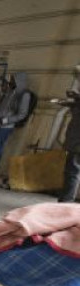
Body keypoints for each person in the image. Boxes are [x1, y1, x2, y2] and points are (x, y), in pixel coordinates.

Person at [0, 73, 34, 178]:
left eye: (13, 80)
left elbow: (22, 114)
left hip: (5, 127)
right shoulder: (9, 92)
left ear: (19, 81)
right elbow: (0, 107)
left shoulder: (24, 95)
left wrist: (6, 120)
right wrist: (1, 94)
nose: (11, 82)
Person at [58, 65, 80, 202]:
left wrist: (76, 98)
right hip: (75, 138)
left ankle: (65, 202)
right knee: (71, 171)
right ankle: (65, 201)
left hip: (78, 140)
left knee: (73, 171)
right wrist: (73, 102)